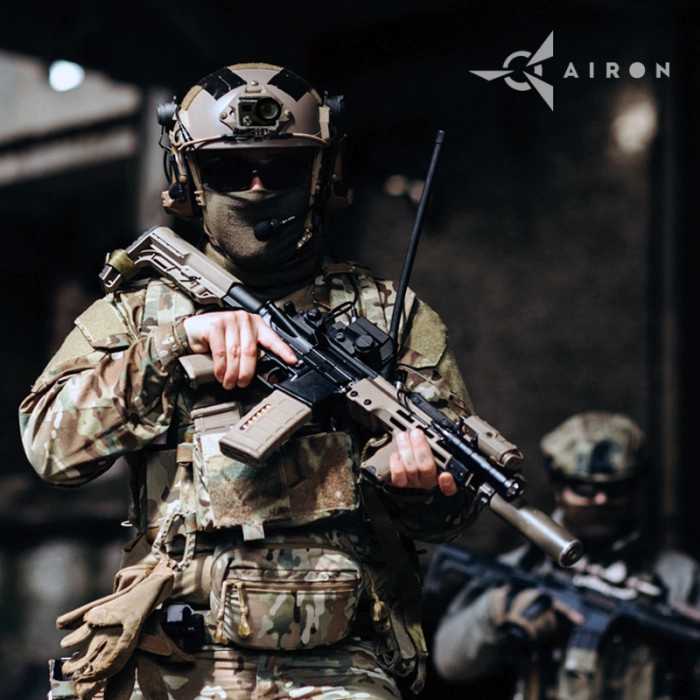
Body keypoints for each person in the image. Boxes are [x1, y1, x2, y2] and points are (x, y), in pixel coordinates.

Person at [19, 63, 482, 700]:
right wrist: (172, 346)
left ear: (320, 174)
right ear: (189, 178)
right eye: (229, 169)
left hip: (342, 661)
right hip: (175, 656)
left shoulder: (388, 317)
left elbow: (454, 513)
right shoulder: (136, 314)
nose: (257, 187)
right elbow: (48, 448)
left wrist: (422, 489)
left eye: (281, 167)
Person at [432, 411, 700, 700]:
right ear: (559, 488)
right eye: (585, 488)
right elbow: (450, 663)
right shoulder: (523, 568)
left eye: (615, 488)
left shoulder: (676, 575)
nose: (601, 500)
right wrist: (496, 610)